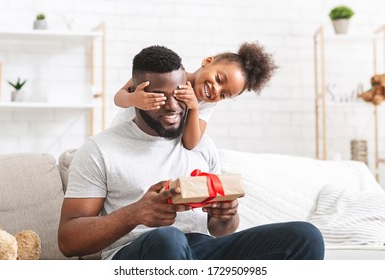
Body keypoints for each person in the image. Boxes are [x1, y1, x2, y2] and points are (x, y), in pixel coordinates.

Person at [58, 45, 324, 260]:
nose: (174, 106)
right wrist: (134, 213)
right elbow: (69, 241)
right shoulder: (99, 150)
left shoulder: (202, 144)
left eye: (179, 94)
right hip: (138, 252)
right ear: (140, 93)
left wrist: (226, 214)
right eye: (161, 96)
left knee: (305, 235)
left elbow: (220, 231)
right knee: (167, 238)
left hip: (201, 251)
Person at [112, 42, 277, 150]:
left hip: (148, 145)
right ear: (207, 61)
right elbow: (119, 97)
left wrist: (193, 107)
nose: (216, 90)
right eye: (218, 79)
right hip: (123, 133)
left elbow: (190, 143)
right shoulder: (169, 73)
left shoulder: (206, 104)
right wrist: (134, 99)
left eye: (224, 94)